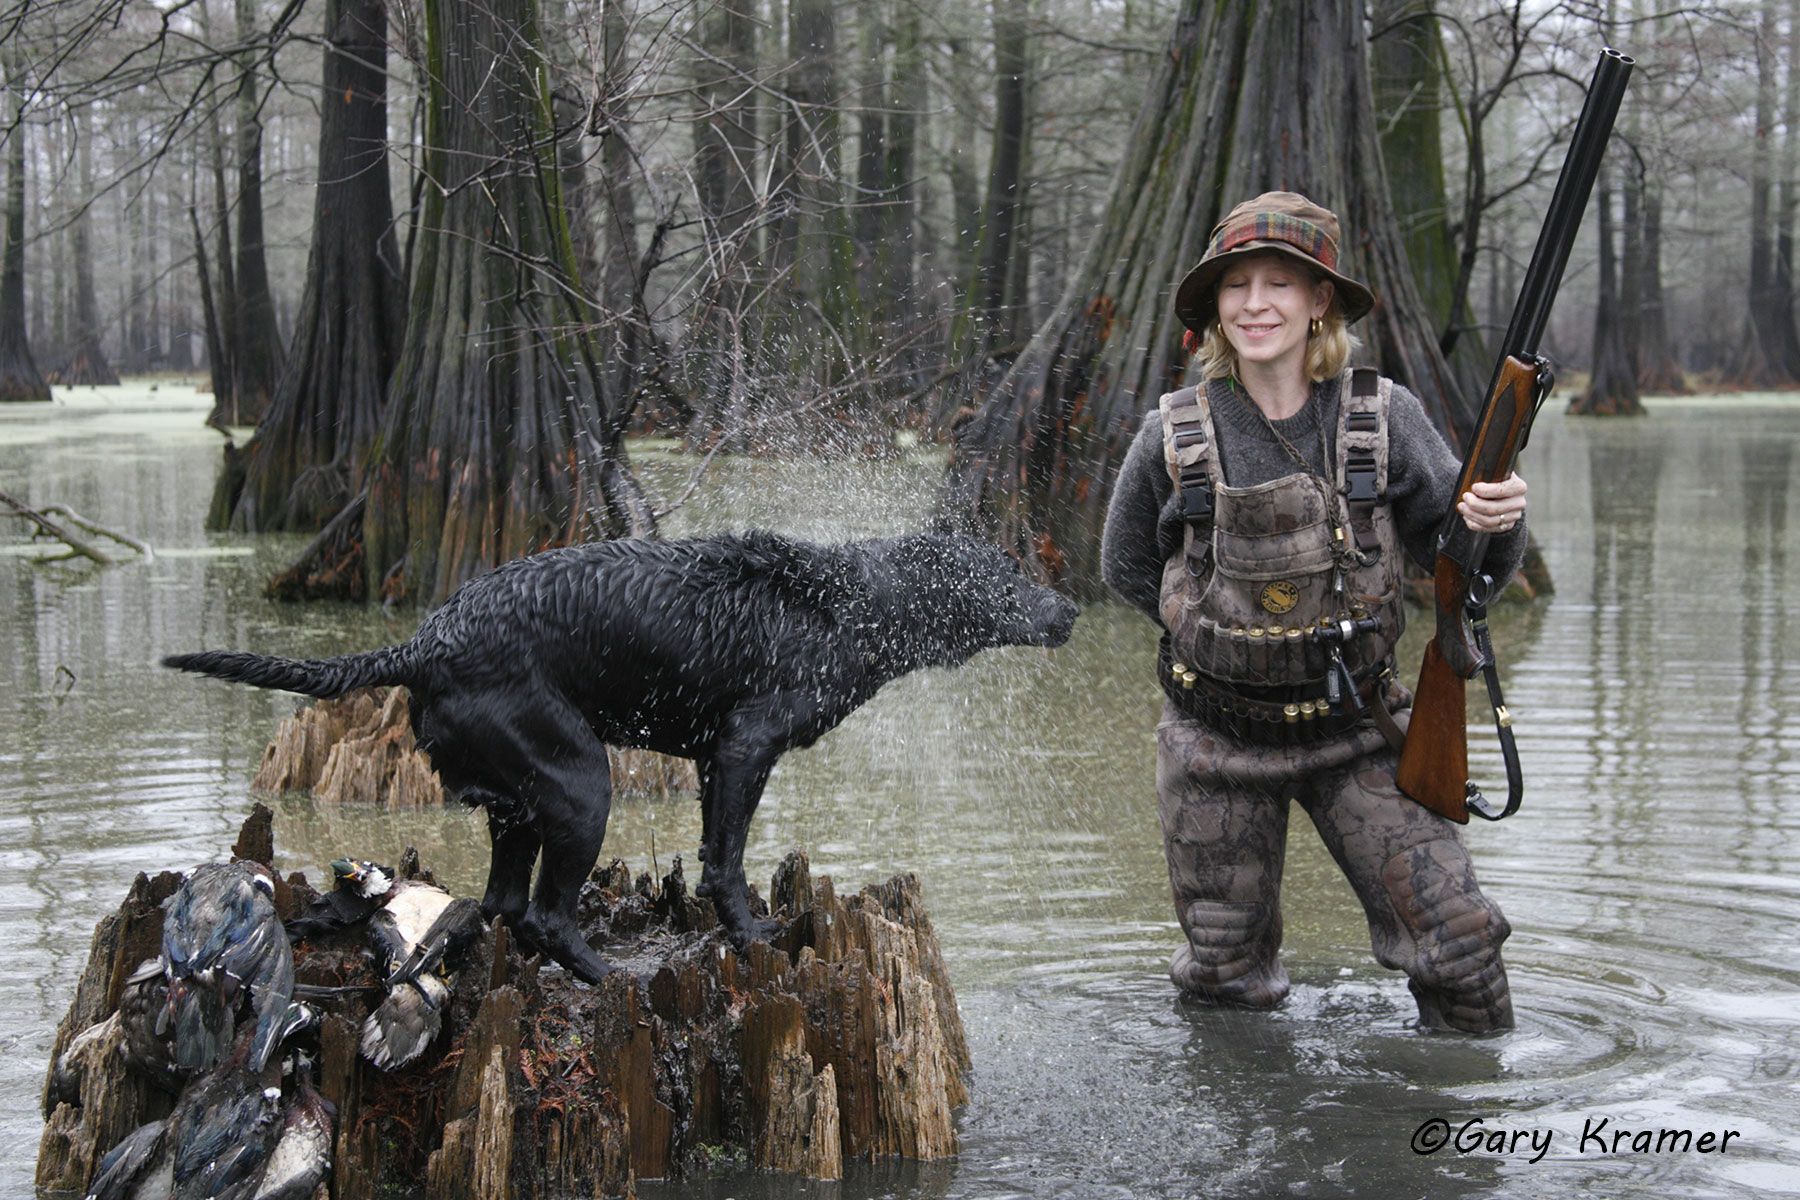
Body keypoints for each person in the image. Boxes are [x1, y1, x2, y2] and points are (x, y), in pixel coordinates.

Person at [1100, 192, 1527, 1034]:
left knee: (1462, 943)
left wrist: (1498, 525)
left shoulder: (1385, 416)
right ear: (1214, 307)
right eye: (1237, 286)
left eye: (1280, 284)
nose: (1255, 304)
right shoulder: (1171, 433)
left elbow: (1467, 574)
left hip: (1361, 730)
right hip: (1215, 743)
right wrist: (1219, 644)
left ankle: (1460, 1136)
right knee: (1224, 976)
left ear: (1318, 300)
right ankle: (1248, 1149)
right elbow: (1125, 569)